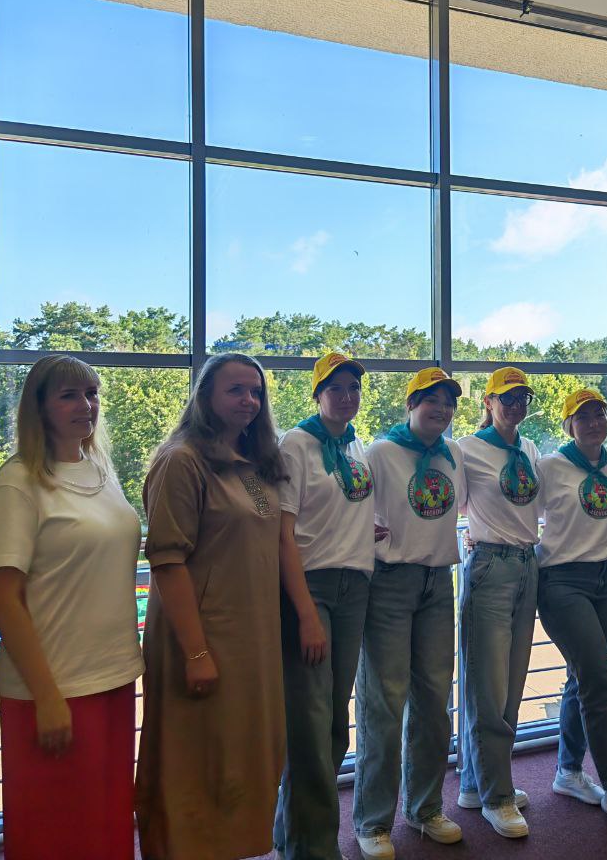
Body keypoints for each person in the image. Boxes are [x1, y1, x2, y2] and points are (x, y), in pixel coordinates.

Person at [0, 355, 142, 860]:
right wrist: (47, 697)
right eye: (69, 395)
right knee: (55, 830)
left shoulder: (100, 471)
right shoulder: (17, 484)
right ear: (39, 408)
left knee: (107, 820)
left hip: (114, 676)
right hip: (53, 687)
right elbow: (1, 595)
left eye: (91, 394)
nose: (86, 405)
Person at [136, 353, 293, 860]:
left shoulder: (255, 461)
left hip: (251, 637)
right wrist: (197, 652)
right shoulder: (181, 460)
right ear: (205, 396)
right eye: (235, 390)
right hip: (201, 638)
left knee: (240, 757)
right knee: (193, 759)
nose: (249, 400)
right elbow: (167, 561)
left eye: (256, 392)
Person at [352, 368, 467, 860]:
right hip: (391, 584)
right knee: (383, 703)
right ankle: (373, 821)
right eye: (431, 400)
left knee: (434, 702)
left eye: (448, 402)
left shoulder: (452, 453)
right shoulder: (381, 453)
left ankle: (425, 808)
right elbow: (352, 506)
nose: (441, 409)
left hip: (438, 582)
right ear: (411, 404)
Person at [274, 353, 378, 860]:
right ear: (317, 394)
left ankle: (290, 835)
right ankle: (313, 848)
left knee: (335, 722)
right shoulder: (297, 444)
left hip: (354, 587)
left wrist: (363, 528)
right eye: (335, 388)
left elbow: (337, 508)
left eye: (353, 388)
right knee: (312, 724)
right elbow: (283, 535)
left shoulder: (355, 444)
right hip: (312, 590)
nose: (346, 396)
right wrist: (306, 614)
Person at [535, 388, 607, 817]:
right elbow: (516, 510)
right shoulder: (549, 467)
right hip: (562, 582)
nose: (594, 423)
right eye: (583, 417)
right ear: (568, 425)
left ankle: (568, 770)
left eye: (599, 414)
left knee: (582, 678)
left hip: (606, 581)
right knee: (599, 682)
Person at [457, 366, 542, 839]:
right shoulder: (466, 449)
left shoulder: (530, 450)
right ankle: (497, 795)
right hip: (490, 566)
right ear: (487, 402)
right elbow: (449, 503)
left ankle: (477, 782)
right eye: (505, 397)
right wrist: (473, 535)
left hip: (528, 564)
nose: (514, 405)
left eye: (521, 397)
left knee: (510, 682)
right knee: (487, 686)